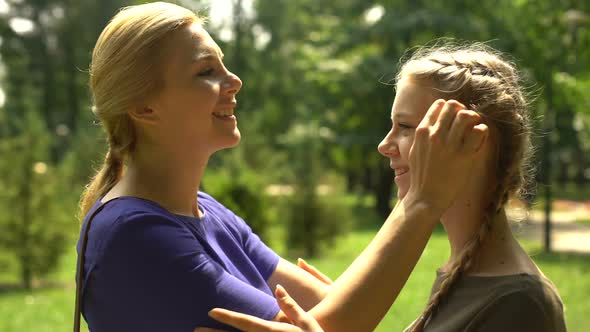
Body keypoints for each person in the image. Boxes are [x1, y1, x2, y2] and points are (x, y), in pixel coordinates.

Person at [75, 2, 487, 332]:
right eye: (206, 71)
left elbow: (330, 312)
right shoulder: (134, 236)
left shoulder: (207, 212)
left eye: (223, 65)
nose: (233, 80)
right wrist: (421, 201)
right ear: (145, 107)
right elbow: (341, 323)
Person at [203, 45, 568, 332]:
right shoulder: (465, 273)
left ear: (470, 141)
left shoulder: (520, 301)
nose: (385, 144)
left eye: (406, 127)